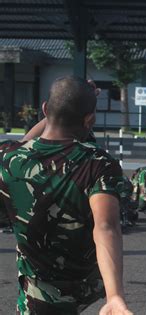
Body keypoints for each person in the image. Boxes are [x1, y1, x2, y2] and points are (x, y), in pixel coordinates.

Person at [0, 76, 132, 314]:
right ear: (89, 119)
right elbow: (106, 226)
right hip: (82, 283)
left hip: (37, 289)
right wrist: (115, 296)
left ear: (44, 109)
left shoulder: (9, 158)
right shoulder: (98, 163)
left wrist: (62, 103)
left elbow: (26, 143)